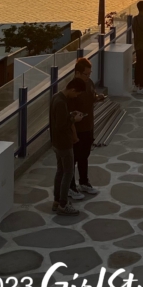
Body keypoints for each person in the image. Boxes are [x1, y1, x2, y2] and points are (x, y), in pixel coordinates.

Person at [69, 59, 103, 195]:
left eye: (90, 74)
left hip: (88, 126)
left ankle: (84, 182)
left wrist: (97, 97)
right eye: (85, 74)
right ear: (77, 73)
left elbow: (91, 96)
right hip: (77, 129)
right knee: (74, 159)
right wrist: (74, 135)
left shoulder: (89, 83)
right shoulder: (72, 89)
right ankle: (71, 186)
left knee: (84, 156)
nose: (88, 77)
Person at [50, 79, 84, 215]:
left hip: (56, 143)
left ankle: (56, 201)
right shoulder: (61, 102)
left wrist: (70, 115)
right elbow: (61, 125)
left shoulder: (55, 97)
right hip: (64, 143)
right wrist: (74, 120)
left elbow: (58, 120)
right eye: (77, 94)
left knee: (60, 171)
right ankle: (63, 205)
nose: (76, 96)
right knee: (68, 173)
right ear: (72, 90)